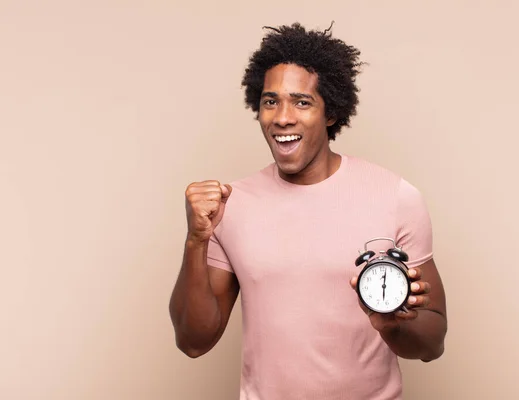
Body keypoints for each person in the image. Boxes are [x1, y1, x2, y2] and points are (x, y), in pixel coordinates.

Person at [169, 22, 447, 400]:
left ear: (331, 113)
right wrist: (195, 240)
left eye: (302, 101)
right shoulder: (230, 205)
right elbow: (193, 341)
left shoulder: (396, 196)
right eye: (271, 101)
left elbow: (432, 345)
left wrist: (393, 326)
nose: (282, 117)